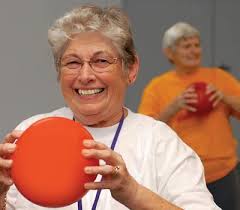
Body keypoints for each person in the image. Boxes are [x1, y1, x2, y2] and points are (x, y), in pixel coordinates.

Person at [0, 7, 220, 210]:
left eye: (101, 61)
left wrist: (133, 193)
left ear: (131, 69)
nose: (85, 76)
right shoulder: (30, 135)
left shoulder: (160, 143)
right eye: (73, 63)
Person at [138, 22, 240, 210]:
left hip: (222, 172)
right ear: (170, 53)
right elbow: (144, 131)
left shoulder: (219, 77)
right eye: (187, 46)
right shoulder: (158, 87)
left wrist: (224, 97)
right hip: (178, 175)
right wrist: (174, 107)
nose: (194, 51)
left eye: (197, 45)